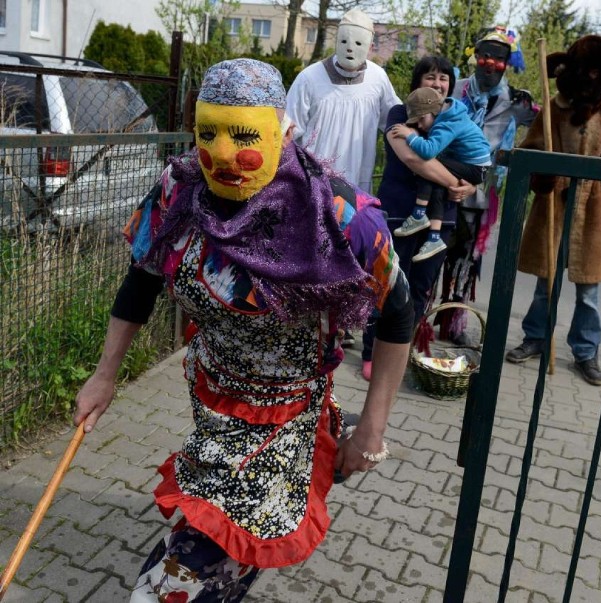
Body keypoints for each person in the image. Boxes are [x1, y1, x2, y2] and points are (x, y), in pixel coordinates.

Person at [72, 58, 413, 601]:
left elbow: (398, 314)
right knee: (205, 530)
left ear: (284, 131)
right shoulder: (179, 193)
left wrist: (371, 432)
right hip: (211, 405)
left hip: (283, 423)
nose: (224, 154)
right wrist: (104, 376)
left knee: (171, 589)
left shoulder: (341, 216)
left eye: (245, 135)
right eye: (209, 133)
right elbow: (140, 281)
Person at [504, 35, 601, 387]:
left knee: (588, 291)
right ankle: (536, 337)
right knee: (544, 282)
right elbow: (531, 149)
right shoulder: (555, 107)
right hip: (554, 203)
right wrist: (541, 175)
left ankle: (585, 351)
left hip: (596, 209)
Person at [359, 56, 476, 381]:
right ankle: (372, 352)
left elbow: (472, 158)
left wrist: (470, 184)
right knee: (389, 284)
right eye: (430, 77)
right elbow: (414, 159)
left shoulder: (455, 118)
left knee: (422, 289)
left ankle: (401, 352)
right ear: (417, 81)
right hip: (400, 214)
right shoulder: (400, 114)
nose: (437, 83)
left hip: (442, 220)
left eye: (443, 78)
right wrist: (455, 182)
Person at [438, 27, 538, 345]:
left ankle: (454, 322)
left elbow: (549, 124)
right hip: (444, 182)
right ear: (475, 56)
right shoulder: (455, 88)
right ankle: (419, 318)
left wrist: (538, 111)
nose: (489, 63)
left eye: (498, 58)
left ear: (508, 62)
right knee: (434, 251)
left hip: (484, 192)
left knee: (467, 258)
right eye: (484, 55)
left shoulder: (518, 102)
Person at [285, 8, 400, 192]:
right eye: (344, 41)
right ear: (336, 41)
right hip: (314, 184)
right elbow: (287, 131)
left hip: (358, 183)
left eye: (357, 43)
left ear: (370, 46)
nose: (349, 48)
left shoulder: (378, 78)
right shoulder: (310, 78)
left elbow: (395, 122)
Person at [390, 87, 491, 263]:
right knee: (437, 183)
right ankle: (434, 238)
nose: (420, 125)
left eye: (421, 119)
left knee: (430, 166)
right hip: (475, 166)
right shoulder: (448, 115)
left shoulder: (447, 123)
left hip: (475, 167)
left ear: (432, 111)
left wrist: (410, 136)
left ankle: (419, 214)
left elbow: (429, 151)